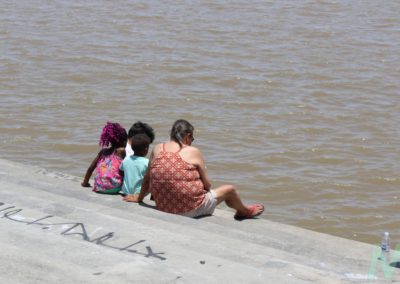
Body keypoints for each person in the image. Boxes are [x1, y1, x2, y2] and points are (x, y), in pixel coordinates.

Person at [137, 119, 264, 220]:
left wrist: (139, 199)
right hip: (189, 210)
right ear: (188, 136)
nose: (192, 141)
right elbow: (208, 184)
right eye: (192, 139)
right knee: (229, 190)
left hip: (163, 206)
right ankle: (245, 211)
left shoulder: (158, 148)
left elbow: (147, 179)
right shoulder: (193, 151)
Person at [81, 122, 127, 194]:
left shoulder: (103, 152)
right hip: (115, 188)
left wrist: (85, 183)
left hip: (99, 187)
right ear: (124, 141)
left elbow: (91, 168)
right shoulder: (122, 151)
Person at [120, 134, 151, 202]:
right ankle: (153, 199)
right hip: (139, 193)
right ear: (146, 149)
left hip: (126, 191)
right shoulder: (147, 162)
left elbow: (121, 172)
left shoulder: (126, 159)